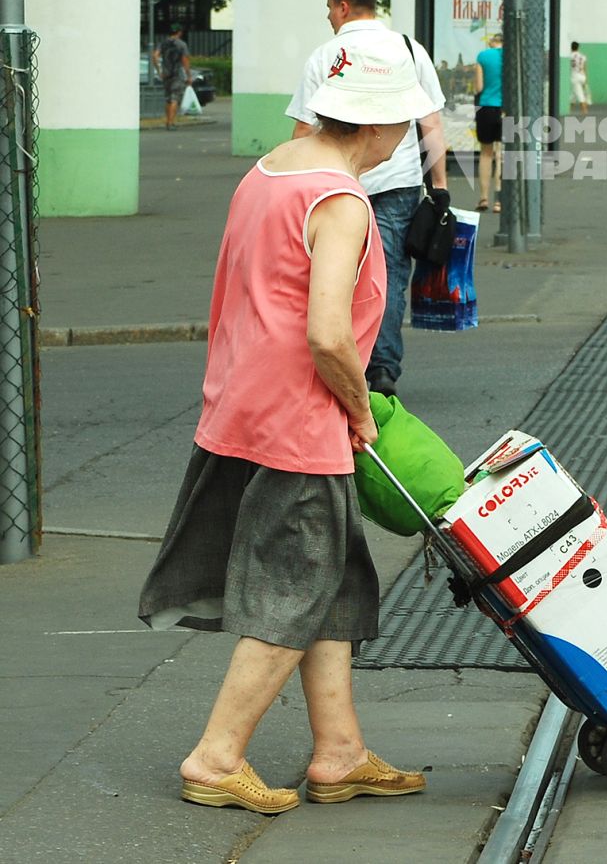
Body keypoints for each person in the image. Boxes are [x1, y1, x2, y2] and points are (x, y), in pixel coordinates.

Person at [138, 40, 431, 814]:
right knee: (293, 590)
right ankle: (215, 756)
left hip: (240, 407)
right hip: (299, 426)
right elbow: (328, 333)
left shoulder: (272, 168)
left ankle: (339, 752)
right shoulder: (339, 200)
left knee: (332, 578)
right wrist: (361, 409)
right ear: (383, 124)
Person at [287, 0, 447, 399]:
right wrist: (441, 186)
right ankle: (382, 370)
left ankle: (344, 360)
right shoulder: (409, 50)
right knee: (390, 275)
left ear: (342, 6)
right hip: (398, 182)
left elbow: (305, 128)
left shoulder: (327, 54)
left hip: (335, 183)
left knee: (333, 272)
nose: (328, 18)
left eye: (328, 10)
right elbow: (430, 123)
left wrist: (291, 180)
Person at [474, 31, 503, 211]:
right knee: (501, 154)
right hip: (506, 109)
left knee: (486, 153)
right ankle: (499, 200)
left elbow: (479, 87)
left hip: (486, 108)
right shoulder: (511, 56)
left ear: (493, 42)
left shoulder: (483, 56)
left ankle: (484, 198)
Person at [153, 24, 192, 131]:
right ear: (179, 32)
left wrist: (159, 70)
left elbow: (155, 56)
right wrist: (189, 76)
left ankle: (167, 121)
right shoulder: (182, 44)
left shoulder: (162, 43)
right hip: (177, 74)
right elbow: (185, 61)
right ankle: (171, 123)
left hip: (166, 74)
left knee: (168, 98)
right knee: (175, 98)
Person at [569, 41, 591, 114]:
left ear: (571, 47)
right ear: (578, 47)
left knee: (580, 95)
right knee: (574, 95)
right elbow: (585, 68)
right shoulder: (583, 56)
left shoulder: (570, 56)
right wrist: (586, 79)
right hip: (582, 76)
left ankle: (585, 111)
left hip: (575, 77)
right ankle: (569, 110)